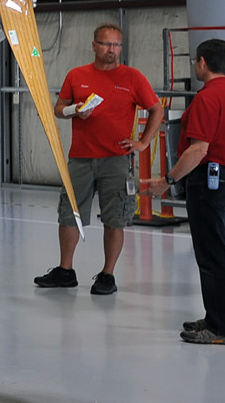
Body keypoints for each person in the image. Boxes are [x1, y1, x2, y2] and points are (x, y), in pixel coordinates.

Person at [34, 24, 163, 295]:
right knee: (69, 213)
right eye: (106, 44)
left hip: (116, 159)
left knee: (114, 218)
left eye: (116, 45)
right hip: (81, 158)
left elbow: (155, 109)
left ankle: (107, 274)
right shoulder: (77, 75)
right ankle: (65, 270)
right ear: (94, 45)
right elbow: (58, 109)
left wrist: (143, 142)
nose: (112, 50)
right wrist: (73, 110)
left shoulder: (132, 77)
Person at [147, 38, 225, 345]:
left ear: (202, 62)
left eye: (195, 61)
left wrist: (168, 179)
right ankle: (215, 316)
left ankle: (222, 329)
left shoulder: (207, 98)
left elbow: (198, 150)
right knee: (216, 253)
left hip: (209, 182)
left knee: (214, 255)